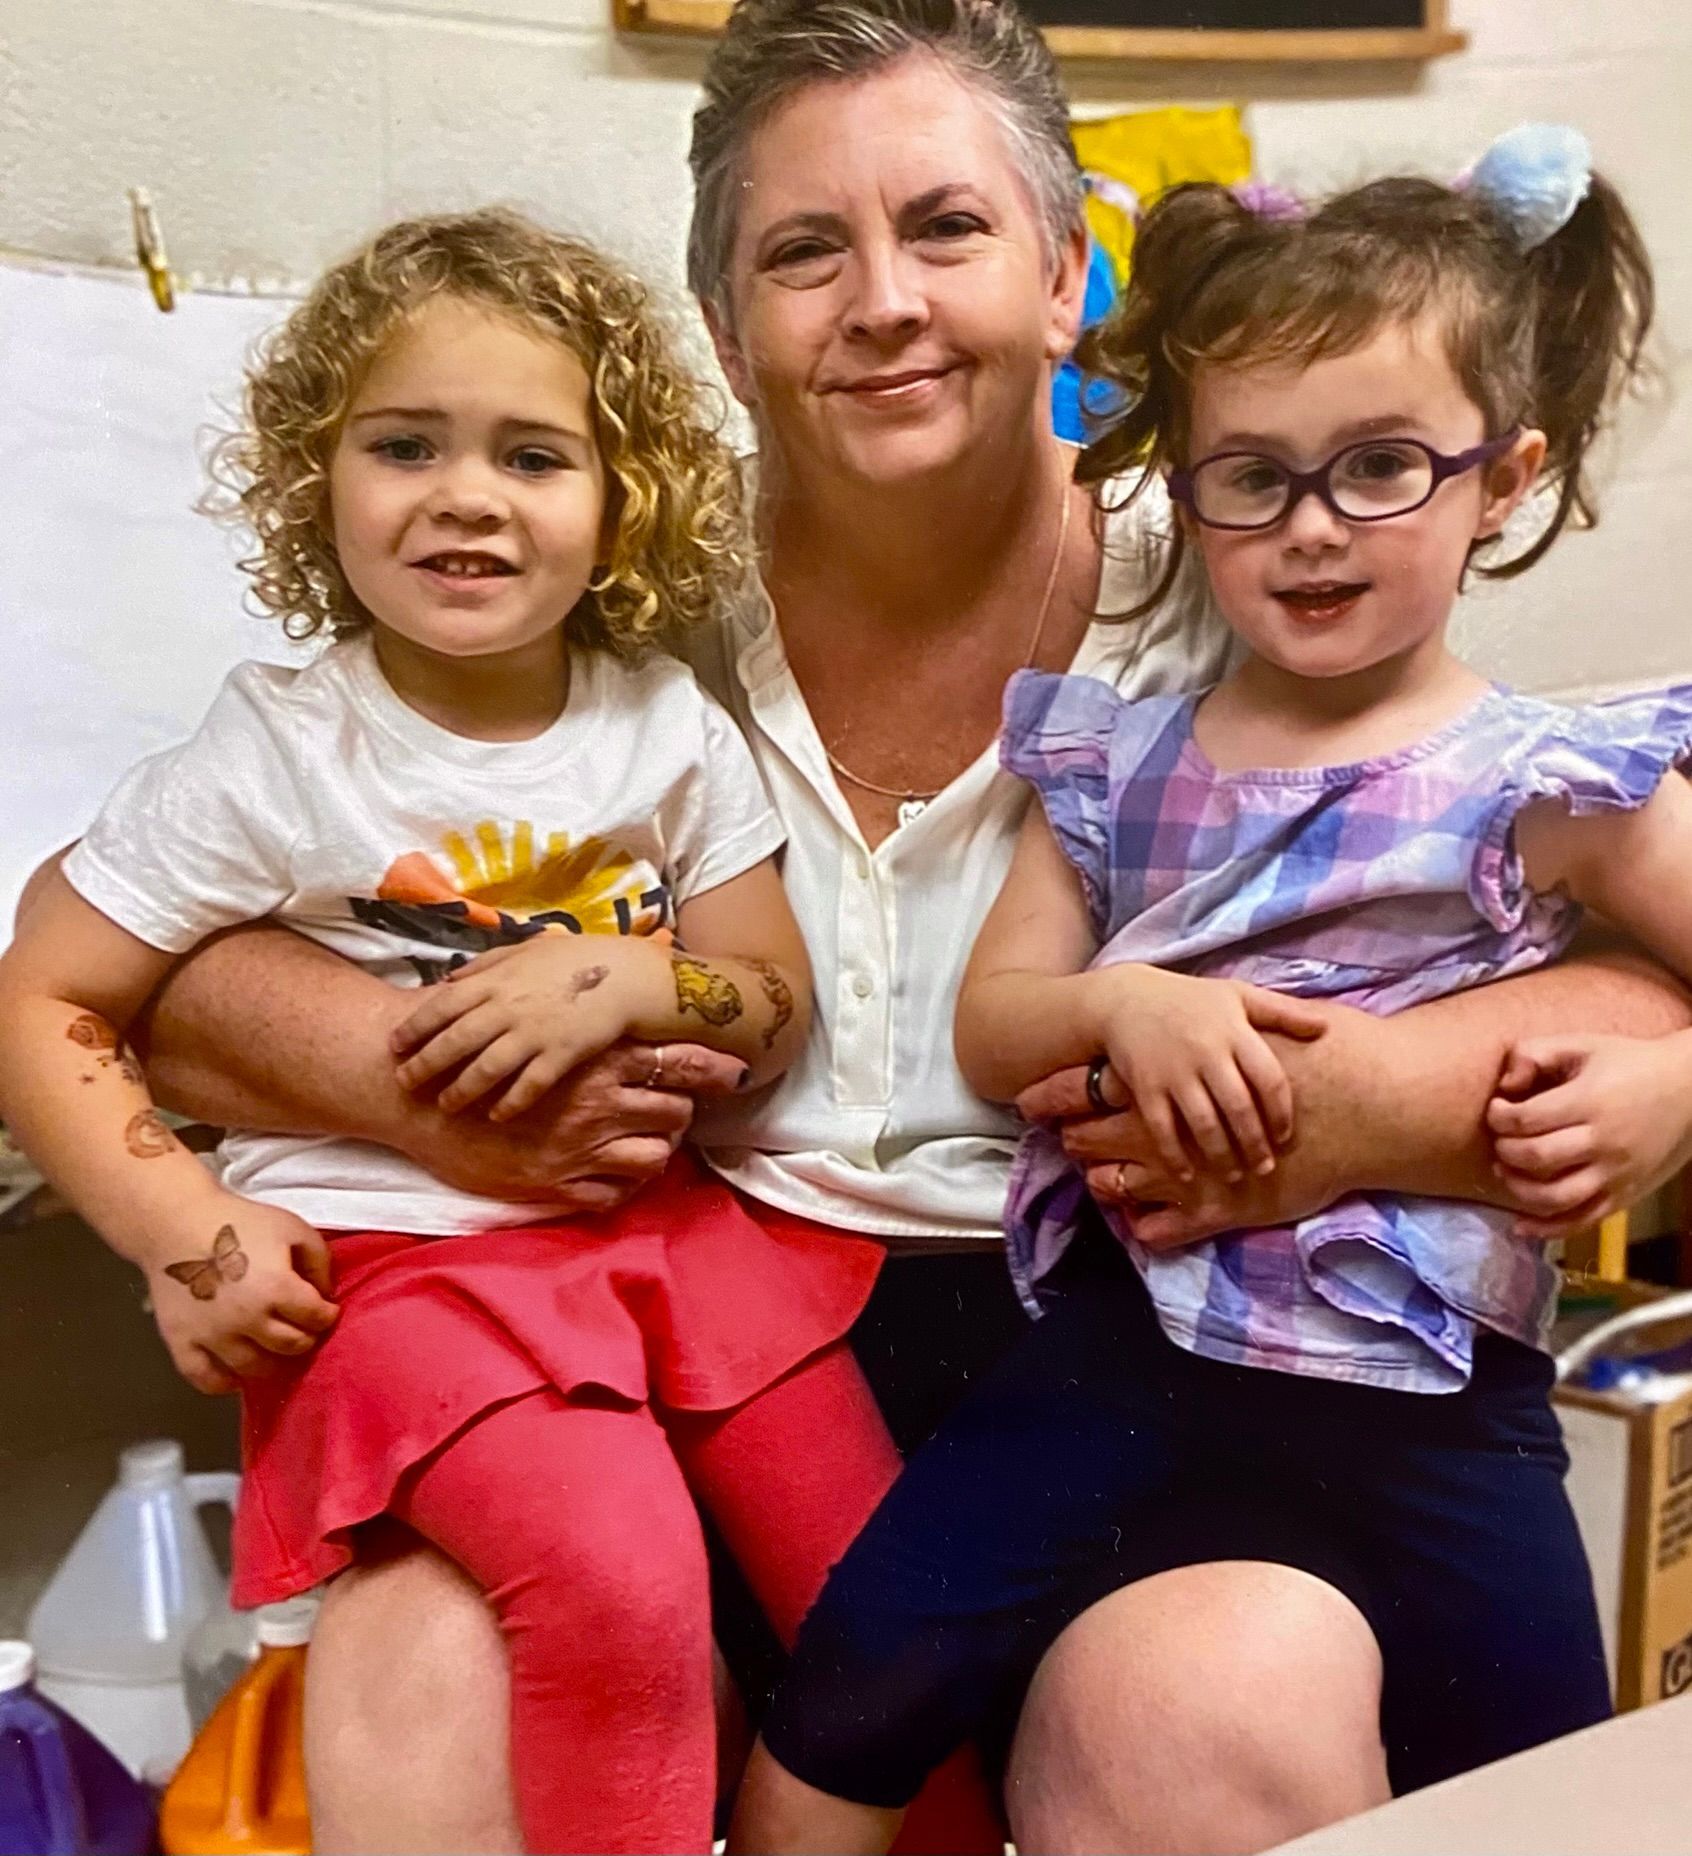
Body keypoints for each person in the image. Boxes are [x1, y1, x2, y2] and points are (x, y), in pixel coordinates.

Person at [41, 5, 1688, 1851]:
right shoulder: (591, 606)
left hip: (1133, 1354)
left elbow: (1583, 922)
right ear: (731, 340)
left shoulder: (1261, 557)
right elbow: (150, 970)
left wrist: (1398, 1097)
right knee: (420, 1668)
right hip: (688, 1344)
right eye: (805, 251)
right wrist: (408, 1081)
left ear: (1069, 273)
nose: (883, 300)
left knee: (1212, 1689)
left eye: (949, 228)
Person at [730, 127, 1692, 1853]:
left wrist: (1673, 1090)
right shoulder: (1121, 761)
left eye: (1382, 466)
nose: (1312, 530)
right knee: (848, 1691)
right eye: (1251, 477)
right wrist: (1121, 1007)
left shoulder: (1558, 779)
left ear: (1507, 475)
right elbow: (996, 1023)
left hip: (1433, 1403)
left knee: (1563, 1794)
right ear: (1183, 490)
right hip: (1126, 1348)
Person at [0, 207, 952, 1856]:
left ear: (620, 497)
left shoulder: (662, 724)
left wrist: (642, 981)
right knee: (618, 1575)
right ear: (321, 476)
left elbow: (771, 1002)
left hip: (673, 1241)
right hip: (398, 1274)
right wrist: (182, 1229)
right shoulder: (272, 756)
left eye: (532, 455)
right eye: (404, 444)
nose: (464, 495)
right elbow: (41, 993)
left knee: (894, 1590)